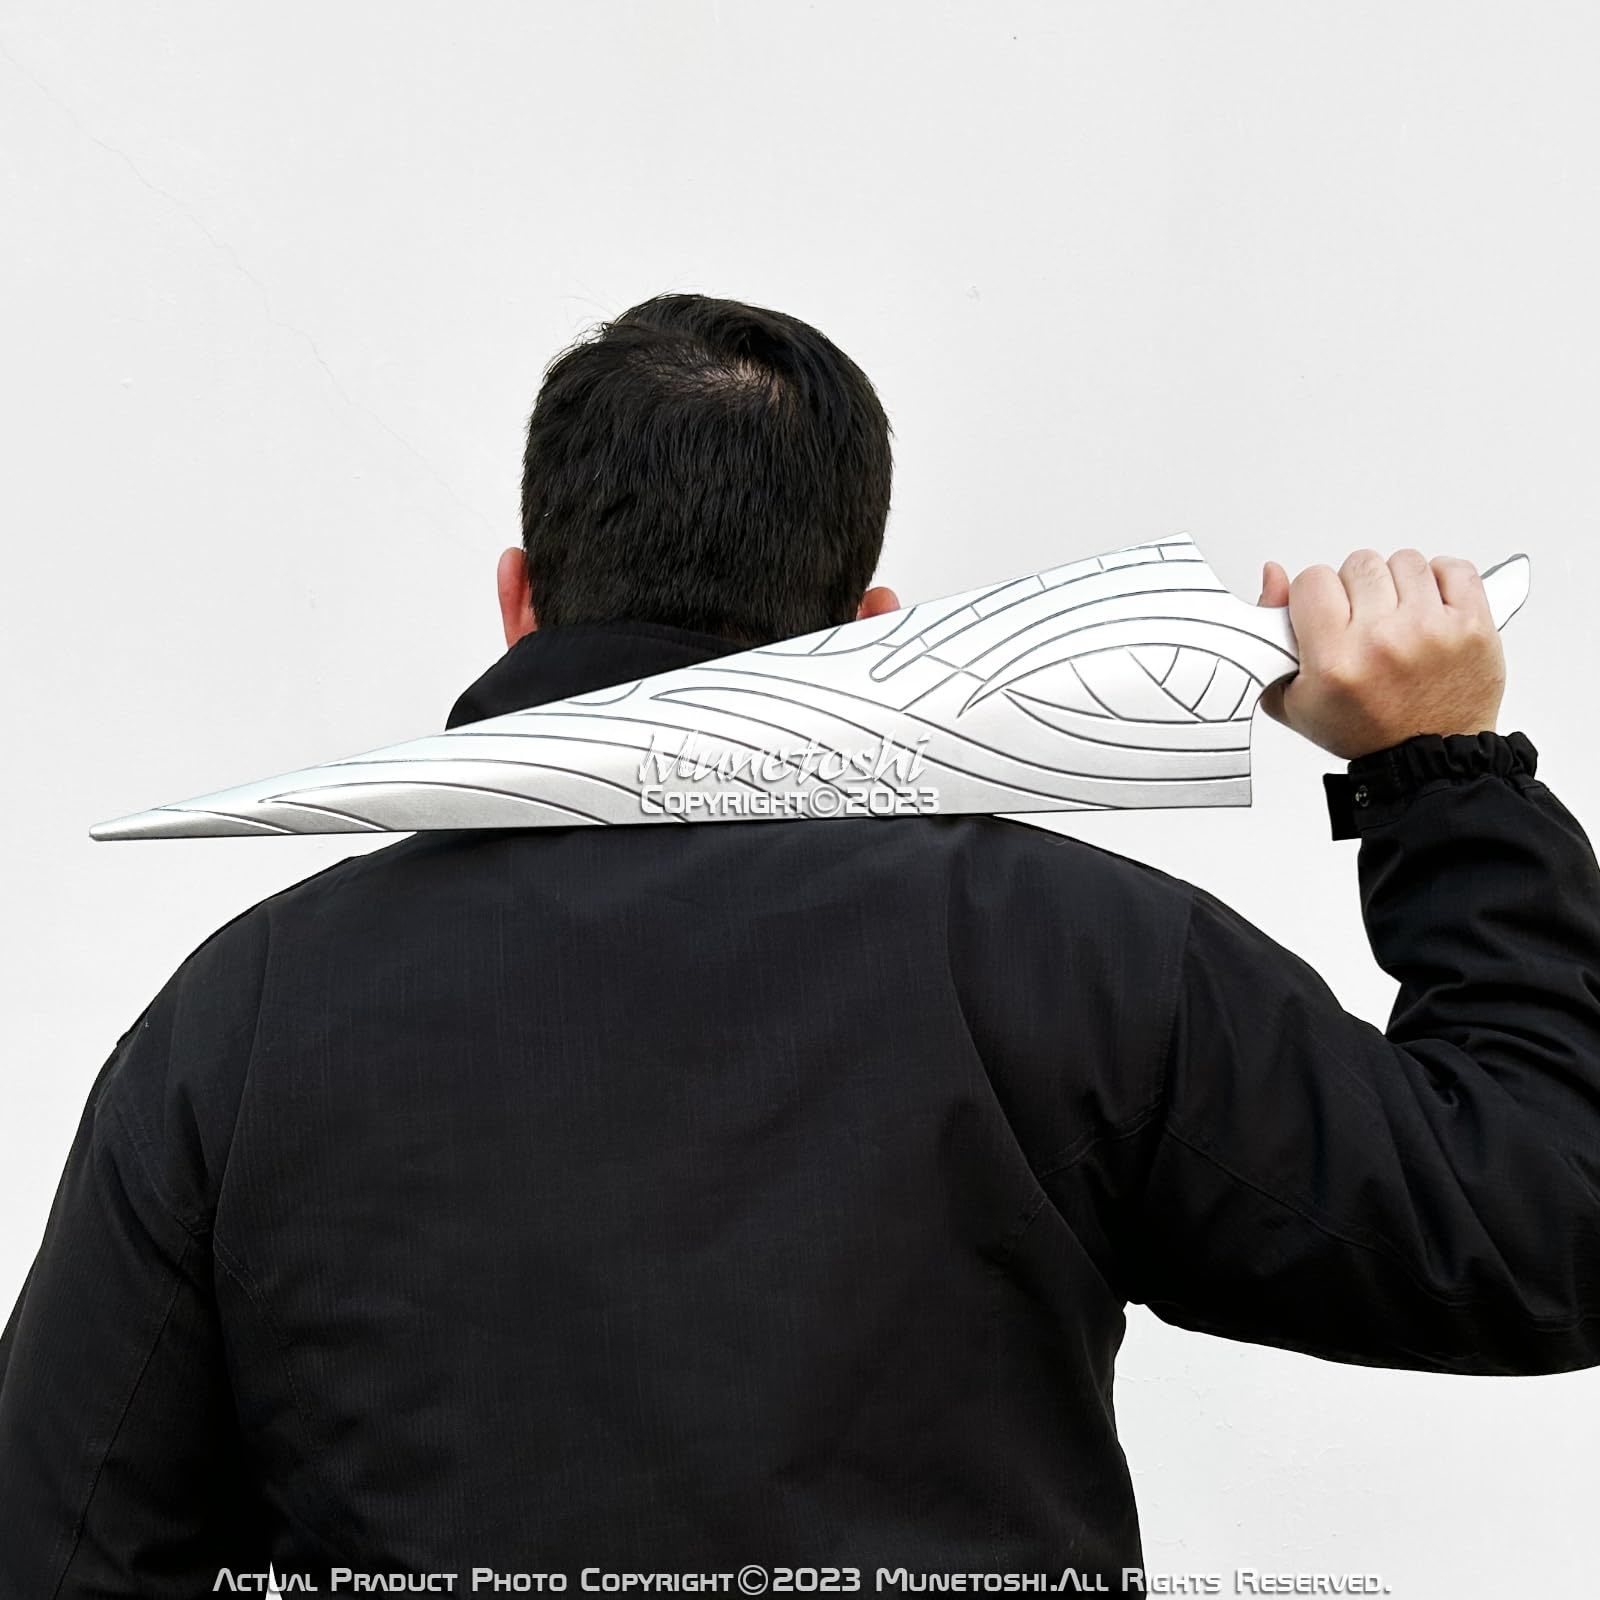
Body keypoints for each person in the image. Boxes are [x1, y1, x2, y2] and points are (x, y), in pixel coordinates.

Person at [2, 293, 1597, 1594]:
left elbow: (60, 1550)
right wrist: (1438, 768)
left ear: (519, 599)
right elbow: (1544, 1228)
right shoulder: (1071, 957)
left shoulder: (245, 1018)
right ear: (872, 629)